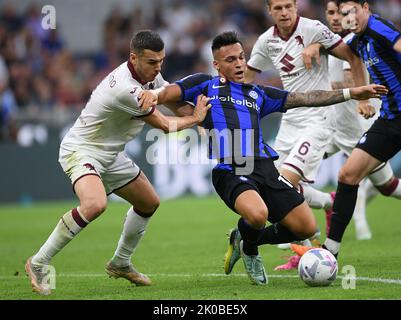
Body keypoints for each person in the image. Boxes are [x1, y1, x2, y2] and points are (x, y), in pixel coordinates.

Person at [139, 31, 386, 285]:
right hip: (231, 169)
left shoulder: (258, 93)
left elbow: (306, 98)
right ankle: (251, 250)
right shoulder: (205, 84)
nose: (239, 64)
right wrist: (154, 96)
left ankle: (244, 238)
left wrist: (351, 92)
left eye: (241, 58)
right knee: (258, 215)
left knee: (304, 227)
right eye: (231, 59)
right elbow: (169, 92)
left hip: (266, 168)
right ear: (217, 65)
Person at [25, 30, 211, 296]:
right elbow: (164, 124)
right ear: (133, 58)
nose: (158, 67)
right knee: (95, 204)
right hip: (82, 150)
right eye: (152, 62)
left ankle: (120, 263)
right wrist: (195, 120)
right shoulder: (125, 89)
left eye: (161, 61)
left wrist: (201, 117)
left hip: (111, 154)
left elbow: (171, 100)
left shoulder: (151, 75)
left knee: (149, 202)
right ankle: (38, 262)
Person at [243, 0, 373, 270]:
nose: (284, 12)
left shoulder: (314, 29)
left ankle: (306, 250)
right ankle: (328, 203)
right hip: (290, 121)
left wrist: (362, 96)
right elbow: (246, 77)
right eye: (278, 8)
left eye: (289, 6)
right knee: (273, 189)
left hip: (319, 120)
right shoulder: (266, 41)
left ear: (295, 6)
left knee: (286, 183)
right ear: (269, 11)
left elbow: (352, 55)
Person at [293, 0, 401, 259]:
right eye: (343, 13)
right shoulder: (356, 39)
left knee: (385, 184)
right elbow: (339, 49)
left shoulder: (378, 27)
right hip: (390, 119)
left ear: (365, 7)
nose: (348, 17)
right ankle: (330, 251)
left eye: (352, 11)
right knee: (348, 175)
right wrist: (316, 45)